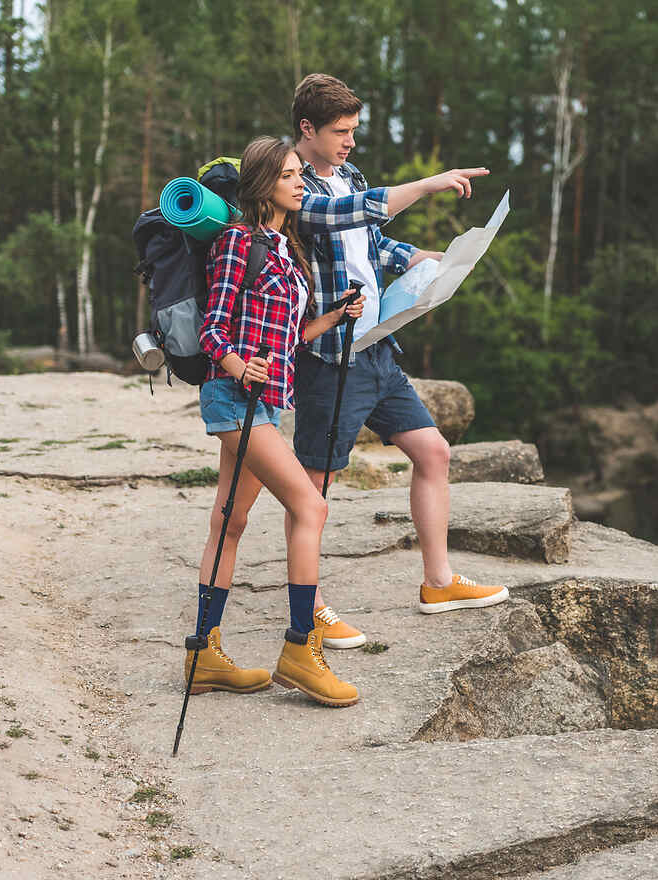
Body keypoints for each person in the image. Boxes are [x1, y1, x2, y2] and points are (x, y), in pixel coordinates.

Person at [288, 72, 509, 647]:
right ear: (306, 129)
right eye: (340, 132)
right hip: (330, 357)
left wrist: (424, 259)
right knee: (314, 488)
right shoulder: (292, 187)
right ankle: (307, 608)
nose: (350, 143)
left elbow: (371, 240)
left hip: (377, 345)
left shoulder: (349, 175)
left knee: (433, 452)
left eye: (355, 131)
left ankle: (438, 581)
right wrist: (430, 184)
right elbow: (350, 215)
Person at [184, 136, 367, 707]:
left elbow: (287, 338)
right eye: (289, 174)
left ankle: (204, 653)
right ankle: (298, 648)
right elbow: (212, 332)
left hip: (263, 401)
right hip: (233, 398)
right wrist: (242, 367)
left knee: (230, 522)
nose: (298, 182)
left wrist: (336, 316)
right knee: (310, 506)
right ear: (264, 184)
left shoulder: (286, 251)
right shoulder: (238, 243)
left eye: (298, 173)